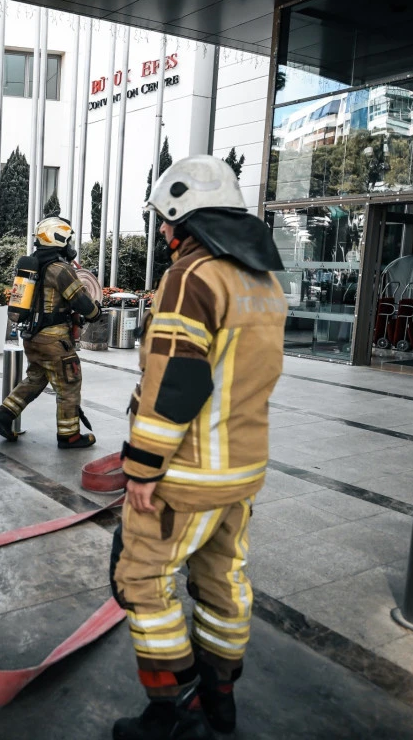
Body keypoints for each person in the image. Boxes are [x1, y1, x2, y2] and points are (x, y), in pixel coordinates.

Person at [110, 156, 287, 740]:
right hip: (243, 471)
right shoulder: (262, 279)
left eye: (166, 221)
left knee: (140, 579)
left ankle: (173, 707)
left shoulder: (193, 276)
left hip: (185, 476)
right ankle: (220, 696)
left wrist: (142, 467)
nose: (163, 233)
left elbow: (176, 382)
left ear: (186, 218)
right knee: (224, 580)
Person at [0, 216, 101, 449]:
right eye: (68, 240)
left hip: (32, 338)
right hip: (55, 341)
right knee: (70, 383)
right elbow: (82, 302)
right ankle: (69, 436)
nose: (70, 245)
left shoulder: (33, 265)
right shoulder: (61, 270)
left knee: (36, 379)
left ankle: (3, 415)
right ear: (58, 238)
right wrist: (95, 313)